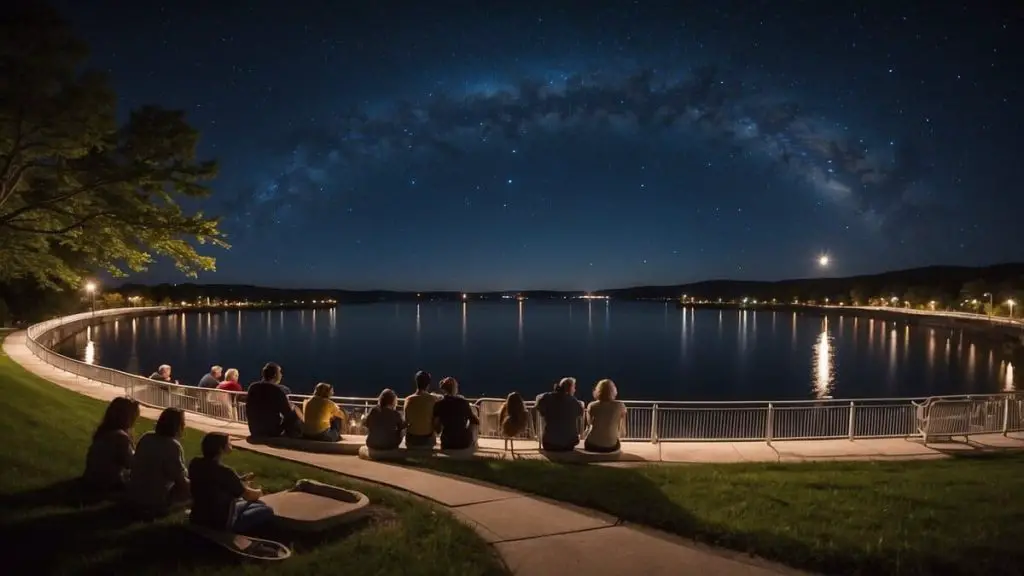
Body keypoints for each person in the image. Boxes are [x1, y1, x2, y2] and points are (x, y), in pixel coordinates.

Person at [189, 432, 275, 534]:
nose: (231, 444)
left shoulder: (195, 464)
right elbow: (248, 495)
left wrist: (239, 480)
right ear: (221, 449)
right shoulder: (225, 472)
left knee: (252, 504)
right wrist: (259, 491)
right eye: (228, 442)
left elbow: (214, 481)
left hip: (198, 516)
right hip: (220, 523)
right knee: (266, 509)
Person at [125, 407, 190, 516]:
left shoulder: (146, 437)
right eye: (183, 422)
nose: (185, 426)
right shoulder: (172, 446)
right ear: (178, 426)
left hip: (133, 494)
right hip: (154, 500)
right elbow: (179, 479)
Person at [83, 397, 141, 493]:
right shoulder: (121, 438)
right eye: (134, 417)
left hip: (91, 477)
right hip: (106, 484)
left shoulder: (104, 432)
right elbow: (130, 464)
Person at [245, 362, 302, 438]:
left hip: (254, 429)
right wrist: (293, 408)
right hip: (270, 431)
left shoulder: (253, 387)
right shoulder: (277, 390)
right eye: (280, 373)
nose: (281, 375)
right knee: (294, 414)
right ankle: (297, 435)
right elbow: (288, 413)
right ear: (275, 375)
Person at [535, 377, 585, 452]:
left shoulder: (547, 397)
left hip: (549, 443)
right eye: (574, 387)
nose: (575, 390)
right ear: (570, 388)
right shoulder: (574, 401)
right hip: (568, 445)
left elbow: (538, 404)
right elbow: (580, 413)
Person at [432, 377, 479, 450]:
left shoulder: (439, 404)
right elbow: (475, 421)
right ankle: (474, 444)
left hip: (447, 442)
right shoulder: (463, 402)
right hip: (463, 441)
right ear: (455, 388)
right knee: (474, 422)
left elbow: (436, 426)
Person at [583, 379, 627, 453]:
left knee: (589, 439)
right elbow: (622, 426)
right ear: (614, 391)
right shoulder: (620, 405)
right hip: (611, 446)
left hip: (592, 445)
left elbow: (589, 423)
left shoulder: (592, 405)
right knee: (617, 443)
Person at [403, 370, 437, 448]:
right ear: (428, 385)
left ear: (416, 383)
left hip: (411, 439)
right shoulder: (433, 400)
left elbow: (406, 420)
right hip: (427, 440)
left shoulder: (408, 399)